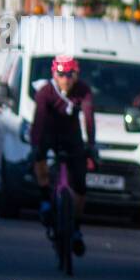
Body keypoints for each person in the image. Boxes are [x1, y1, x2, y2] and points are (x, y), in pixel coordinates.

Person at [30, 54, 96, 256]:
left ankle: (75, 228)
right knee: (39, 156)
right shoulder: (45, 92)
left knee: (81, 185)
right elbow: (39, 122)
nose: (66, 79)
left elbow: (88, 116)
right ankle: (45, 199)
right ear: (54, 75)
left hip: (72, 136)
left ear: (76, 75)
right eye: (61, 74)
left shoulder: (83, 89)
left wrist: (91, 144)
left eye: (70, 74)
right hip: (50, 134)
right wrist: (36, 145)